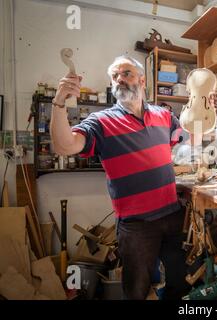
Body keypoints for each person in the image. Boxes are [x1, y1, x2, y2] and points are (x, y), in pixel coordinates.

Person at [50, 55, 191, 300]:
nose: (119, 80)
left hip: (172, 216)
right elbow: (64, 145)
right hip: (136, 226)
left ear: (142, 80)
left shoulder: (164, 116)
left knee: (181, 282)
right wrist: (59, 102)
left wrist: (201, 109)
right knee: (136, 290)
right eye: (115, 76)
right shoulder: (101, 122)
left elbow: (184, 141)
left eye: (126, 73)